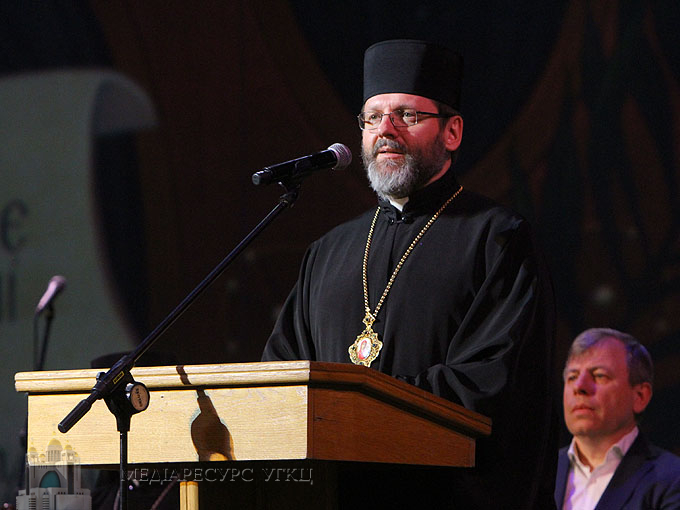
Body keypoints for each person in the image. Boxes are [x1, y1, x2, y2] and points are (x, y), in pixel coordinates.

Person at [262, 39, 557, 508]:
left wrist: (355, 402)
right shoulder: (328, 252)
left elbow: (490, 383)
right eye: (373, 117)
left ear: (452, 132)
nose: (386, 130)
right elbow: (280, 377)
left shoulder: (498, 239)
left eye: (408, 115)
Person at [555, 328, 680, 510]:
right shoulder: (537, 472)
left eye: (599, 375)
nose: (579, 387)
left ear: (639, 396)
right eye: (572, 377)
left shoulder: (672, 479)